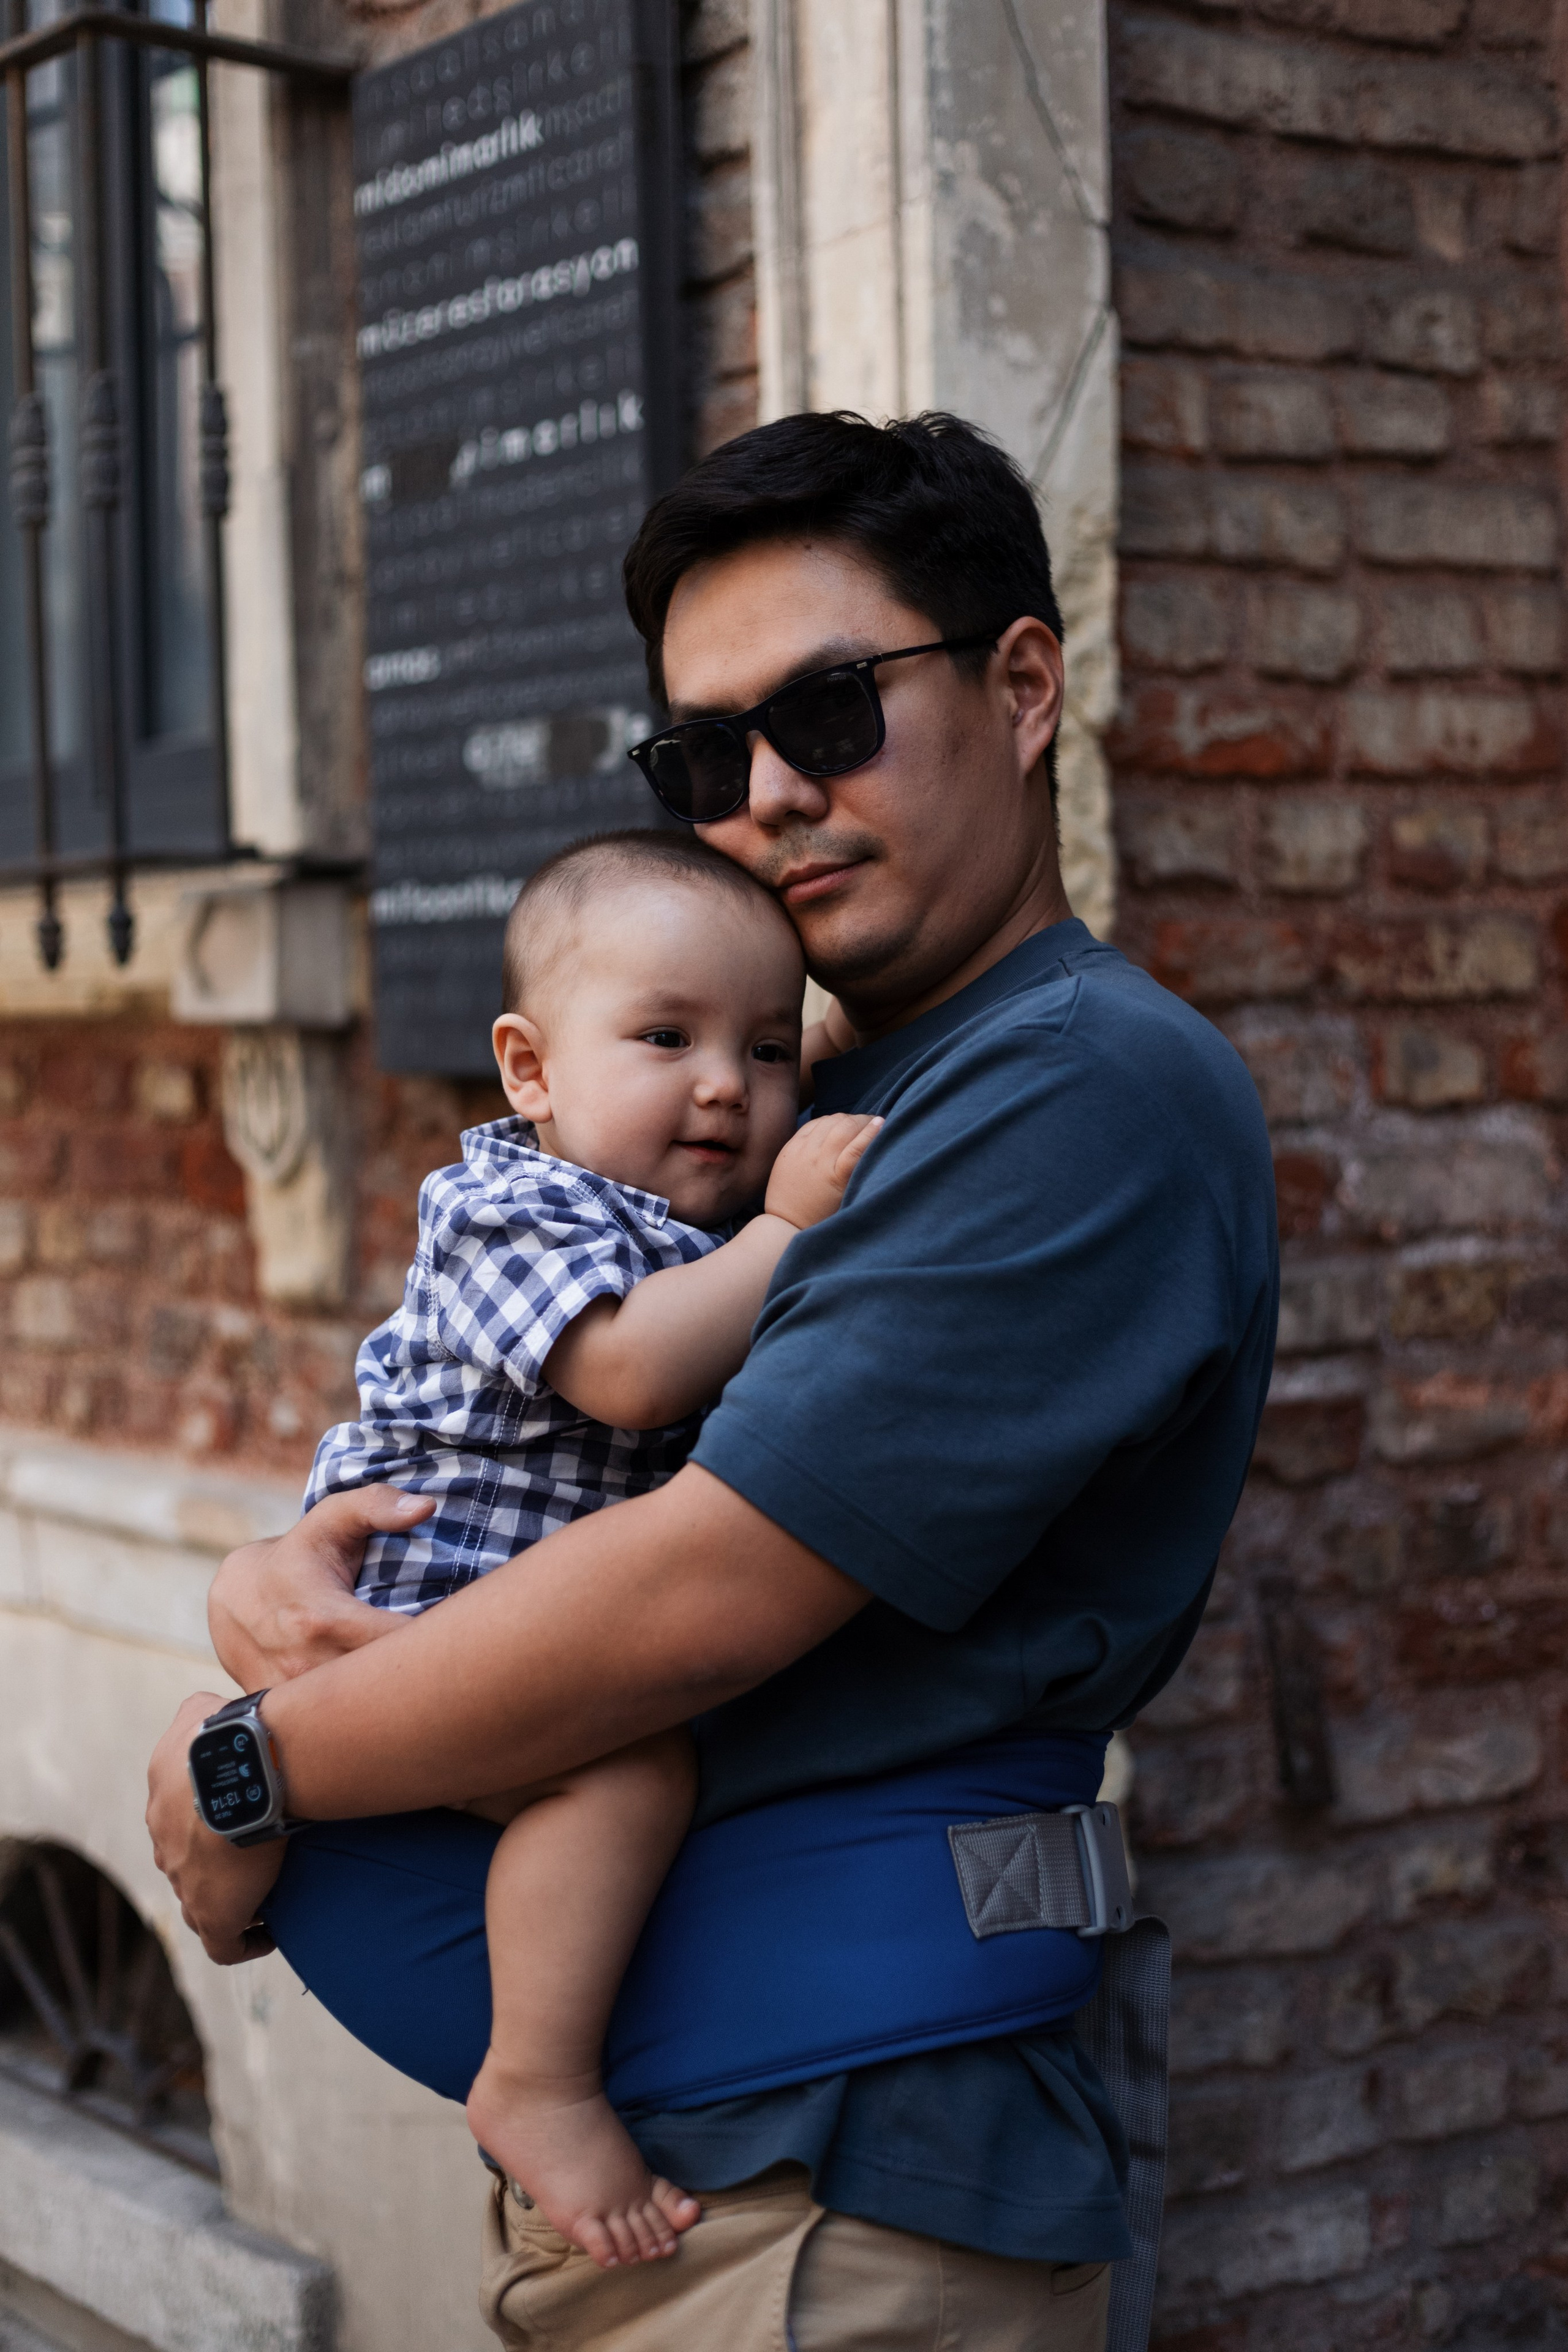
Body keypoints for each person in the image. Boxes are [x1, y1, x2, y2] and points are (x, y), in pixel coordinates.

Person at [148, 410, 1278, 2352]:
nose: (763, 792)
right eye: (700, 755)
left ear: (1022, 688)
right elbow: (525, 1430)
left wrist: (249, 1763)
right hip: (713, 2184)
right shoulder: (807, 1101)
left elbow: (697, 1598)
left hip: (831, 2194)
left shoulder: (1070, 1087)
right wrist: (294, 1583)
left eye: (831, 708)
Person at [298, 828, 877, 2266]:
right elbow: (626, 1375)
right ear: (528, 1070)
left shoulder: (686, 1223)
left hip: (494, 1604)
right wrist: (790, 1232)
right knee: (626, 1766)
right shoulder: (510, 1203)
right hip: (433, 1583)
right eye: (665, 1036)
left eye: (763, 1050)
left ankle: (249, 1781)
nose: (722, 1088)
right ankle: (539, 2078)